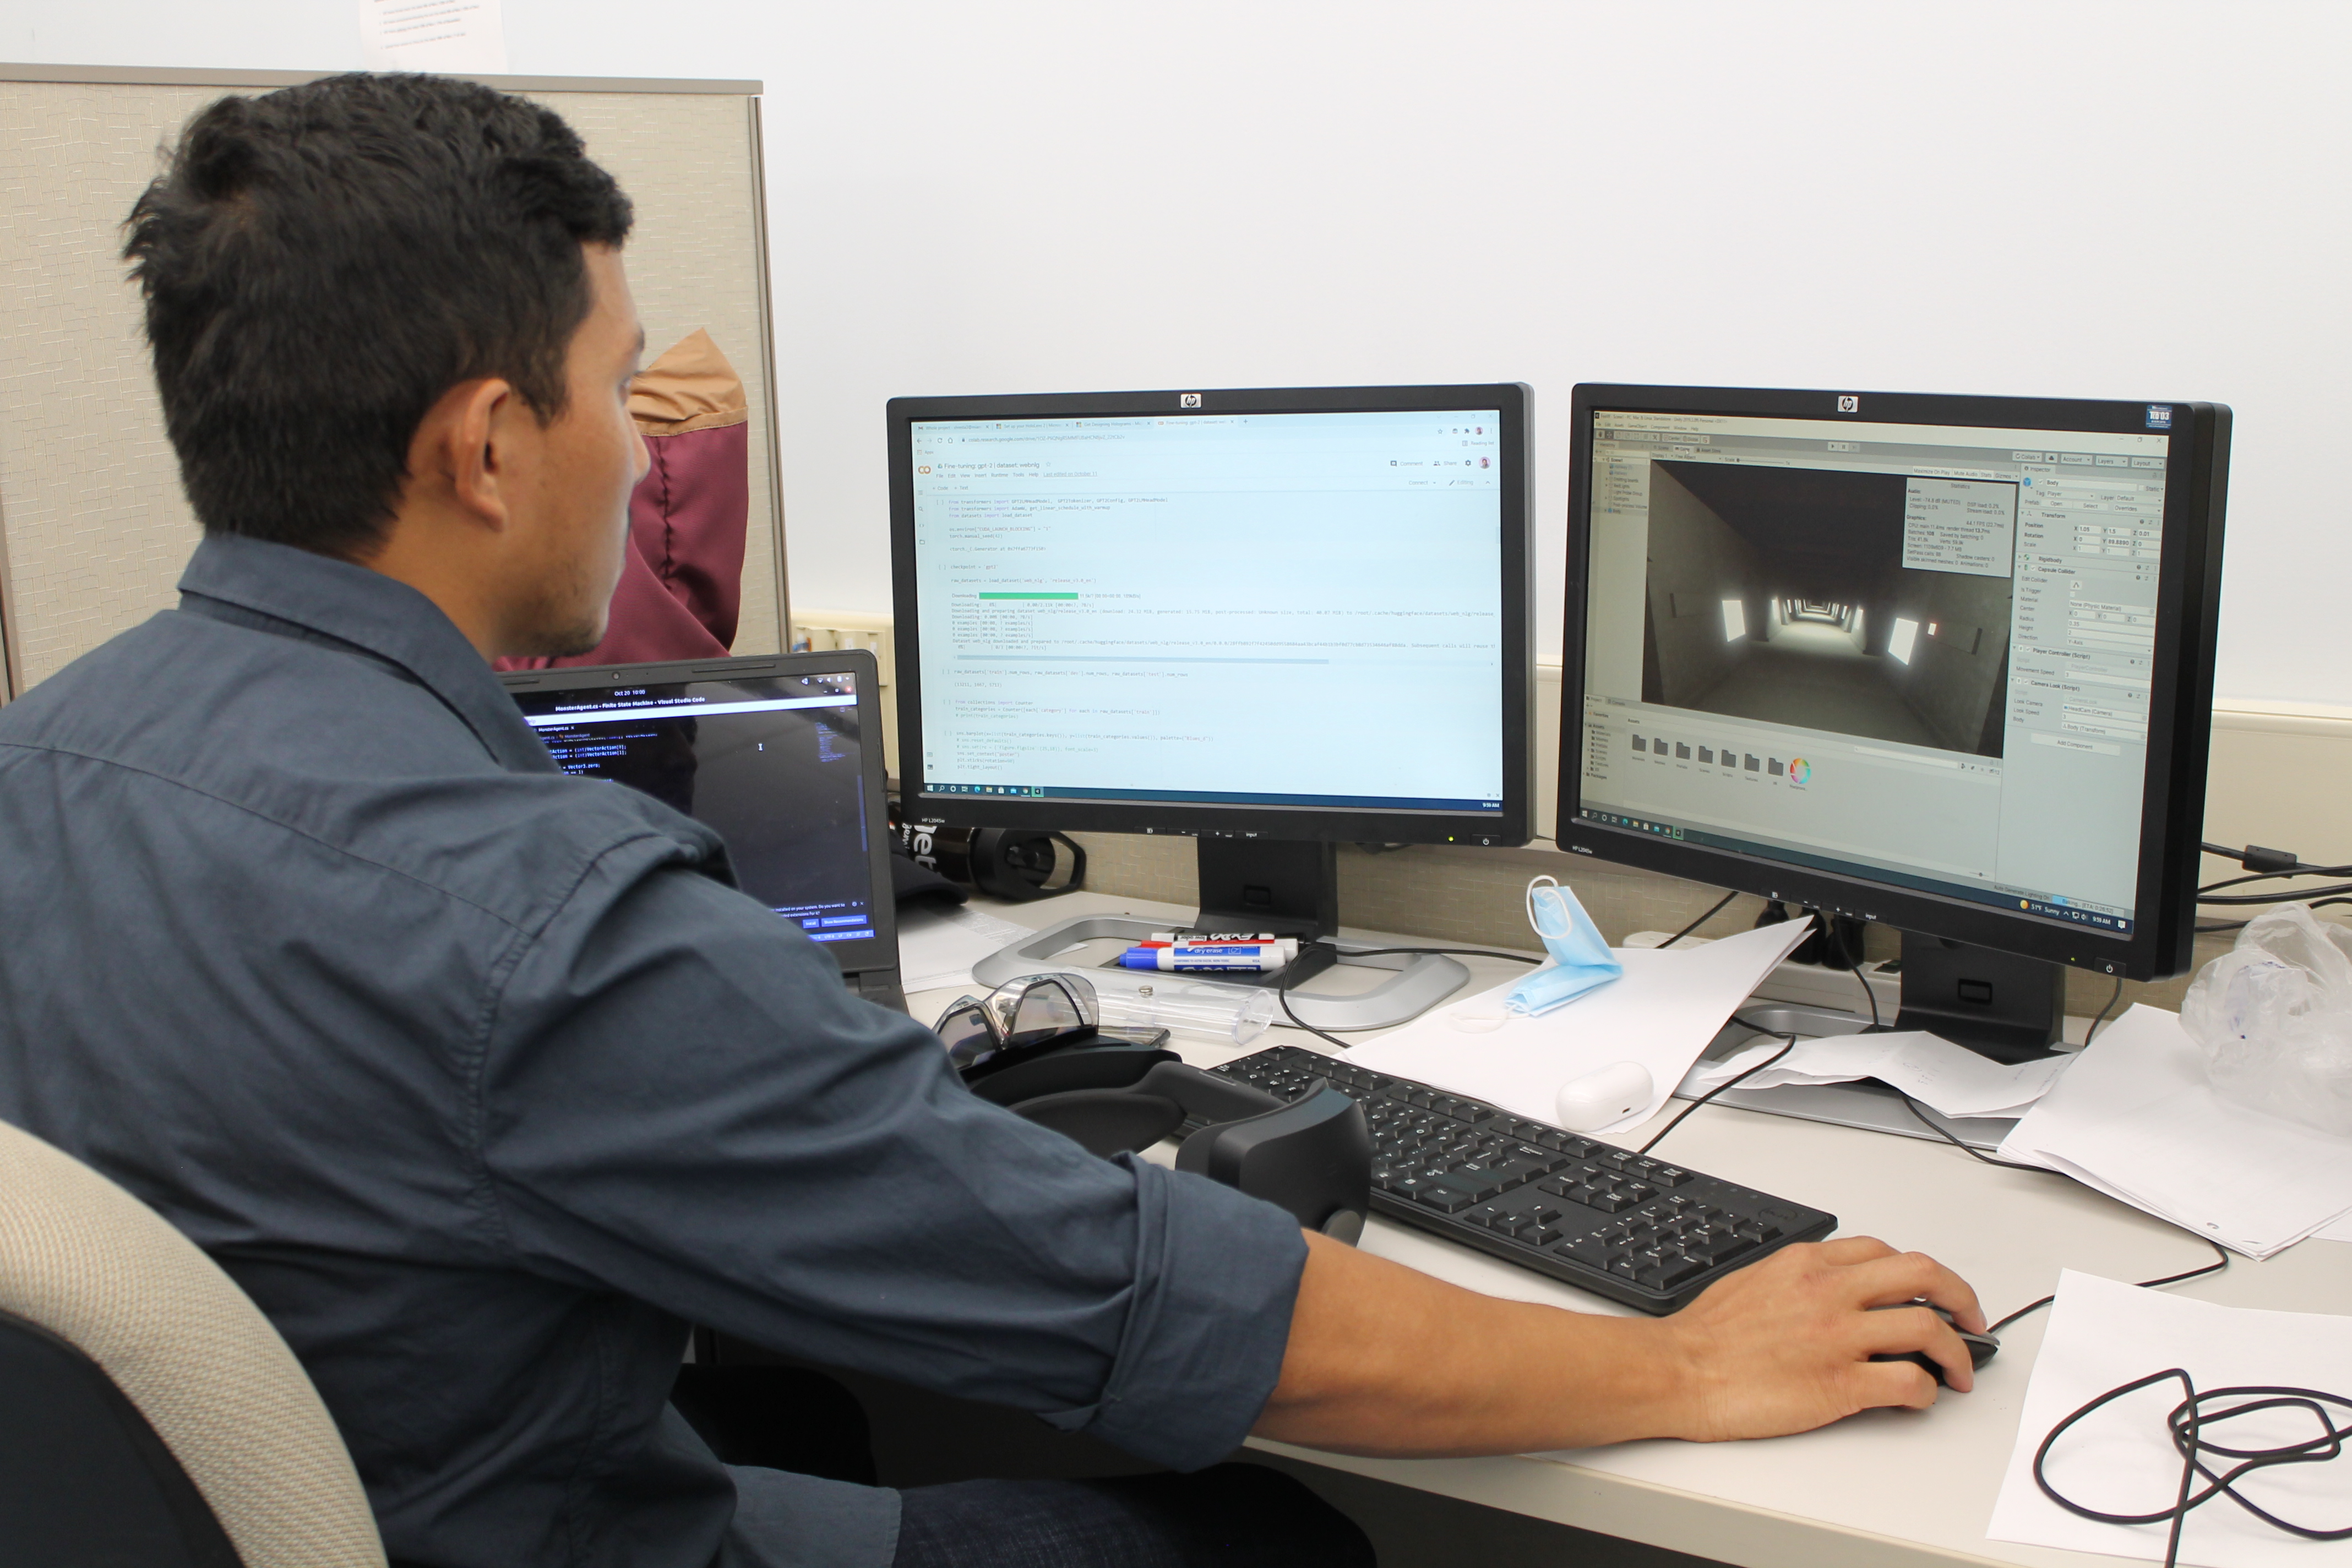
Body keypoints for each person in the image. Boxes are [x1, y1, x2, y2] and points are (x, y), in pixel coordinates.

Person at [0, 73, 1986, 1568]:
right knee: (1268, 1538)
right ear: (490, 448)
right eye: (620, 387)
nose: (645, 444)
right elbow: (1145, 1301)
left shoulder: (53, 755)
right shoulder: (542, 925)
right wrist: (1686, 1364)